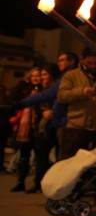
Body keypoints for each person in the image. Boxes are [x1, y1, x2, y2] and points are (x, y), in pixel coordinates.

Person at [57, 47, 96, 160]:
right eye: (89, 63)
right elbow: (62, 96)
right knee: (70, 163)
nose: (93, 66)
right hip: (77, 127)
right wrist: (82, 92)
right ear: (82, 60)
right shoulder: (71, 75)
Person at [15, 64, 61, 193]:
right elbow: (34, 104)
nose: (41, 78)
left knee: (54, 156)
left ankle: (50, 183)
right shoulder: (36, 89)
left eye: (44, 74)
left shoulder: (54, 88)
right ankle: (35, 183)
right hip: (39, 127)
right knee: (40, 156)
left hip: (54, 124)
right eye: (40, 75)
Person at [8, 67, 42, 191]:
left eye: (38, 75)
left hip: (38, 126)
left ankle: (37, 183)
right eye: (33, 76)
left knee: (39, 157)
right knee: (24, 156)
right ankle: (20, 181)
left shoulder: (45, 89)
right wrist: (23, 82)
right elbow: (13, 95)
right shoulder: (25, 89)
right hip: (25, 128)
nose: (36, 78)